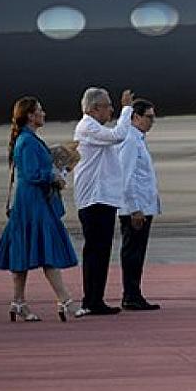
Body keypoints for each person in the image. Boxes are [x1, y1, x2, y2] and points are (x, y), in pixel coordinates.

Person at [0, 97, 80, 322]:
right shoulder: (28, 142)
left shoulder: (27, 139)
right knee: (46, 251)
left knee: (22, 253)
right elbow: (33, 174)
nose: (44, 113)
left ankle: (18, 301)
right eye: (39, 110)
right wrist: (55, 177)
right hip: (34, 204)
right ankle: (65, 299)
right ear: (30, 115)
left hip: (29, 203)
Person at [74, 87, 134, 317]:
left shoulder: (94, 128)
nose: (111, 109)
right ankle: (92, 300)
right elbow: (118, 135)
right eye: (108, 105)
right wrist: (127, 108)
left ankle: (94, 298)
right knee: (96, 251)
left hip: (101, 198)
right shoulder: (88, 126)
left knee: (100, 251)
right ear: (94, 108)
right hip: (94, 200)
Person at [118, 99, 162, 311]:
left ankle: (134, 294)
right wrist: (135, 208)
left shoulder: (138, 139)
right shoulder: (130, 141)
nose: (152, 121)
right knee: (132, 253)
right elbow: (126, 179)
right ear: (135, 117)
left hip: (142, 207)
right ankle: (131, 295)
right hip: (135, 210)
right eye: (149, 117)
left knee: (137, 253)